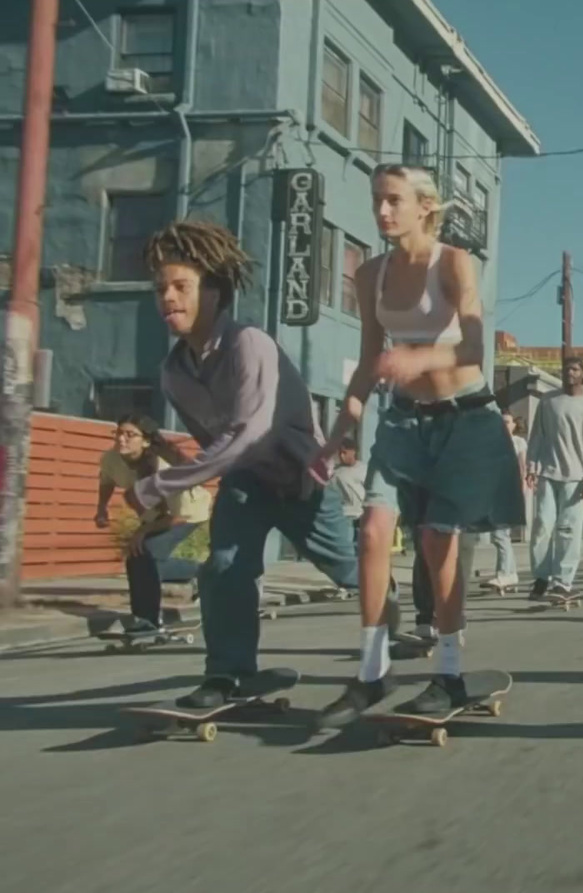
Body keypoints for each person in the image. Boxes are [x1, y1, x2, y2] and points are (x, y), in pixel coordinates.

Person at [312, 164, 524, 726]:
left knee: (436, 542)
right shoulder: (371, 275)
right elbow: (367, 361)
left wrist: (418, 358)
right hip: (403, 422)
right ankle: (372, 672)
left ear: (424, 206)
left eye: (393, 201)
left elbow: (475, 346)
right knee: (374, 532)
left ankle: (449, 673)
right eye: (377, 201)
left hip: (465, 420)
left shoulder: (453, 263)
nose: (382, 211)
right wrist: (339, 431)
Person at [137, 220, 362, 709]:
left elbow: (246, 434)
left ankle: (395, 640)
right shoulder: (174, 372)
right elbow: (217, 446)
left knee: (352, 570)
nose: (167, 298)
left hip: (301, 479)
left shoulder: (249, 345)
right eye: (160, 289)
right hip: (246, 482)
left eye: (181, 287)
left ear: (214, 293)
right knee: (222, 569)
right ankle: (228, 674)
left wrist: (158, 485)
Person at [94, 414, 212, 630]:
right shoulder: (111, 458)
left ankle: (151, 619)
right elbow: (107, 481)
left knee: (148, 553)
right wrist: (101, 508)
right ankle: (140, 618)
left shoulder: (164, 469)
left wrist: (143, 532)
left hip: (188, 512)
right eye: (119, 433)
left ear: (146, 441)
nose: (122, 439)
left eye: (130, 435)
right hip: (155, 516)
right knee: (136, 557)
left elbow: (178, 516)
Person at [526, 356, 583, 600]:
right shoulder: (548, 401)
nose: (569, 373)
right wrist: (532, 465)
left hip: (577, 478)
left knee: (568, 529)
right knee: (542, 524)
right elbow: (537, 436)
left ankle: (563, 581)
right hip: (548, 473)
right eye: (566, 370)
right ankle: (542, 577)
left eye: (574, 370)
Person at [487, 412, 527, 591]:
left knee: (500, 534)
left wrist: (520, 488)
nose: (504, 425)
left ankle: (504, 574)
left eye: (507, 422)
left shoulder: (518, 443)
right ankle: (510, 574)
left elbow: (522, 466)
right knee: (501, 535)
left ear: (514, 425)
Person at [328, 439, 367, 551]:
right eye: (340, 453)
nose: (342, 456)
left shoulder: (363, 469)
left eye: (345, 452)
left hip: (361, 515)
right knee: (345, 549)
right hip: (345, 516)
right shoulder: (335, 473)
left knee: (361, 549)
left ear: (353, 451)